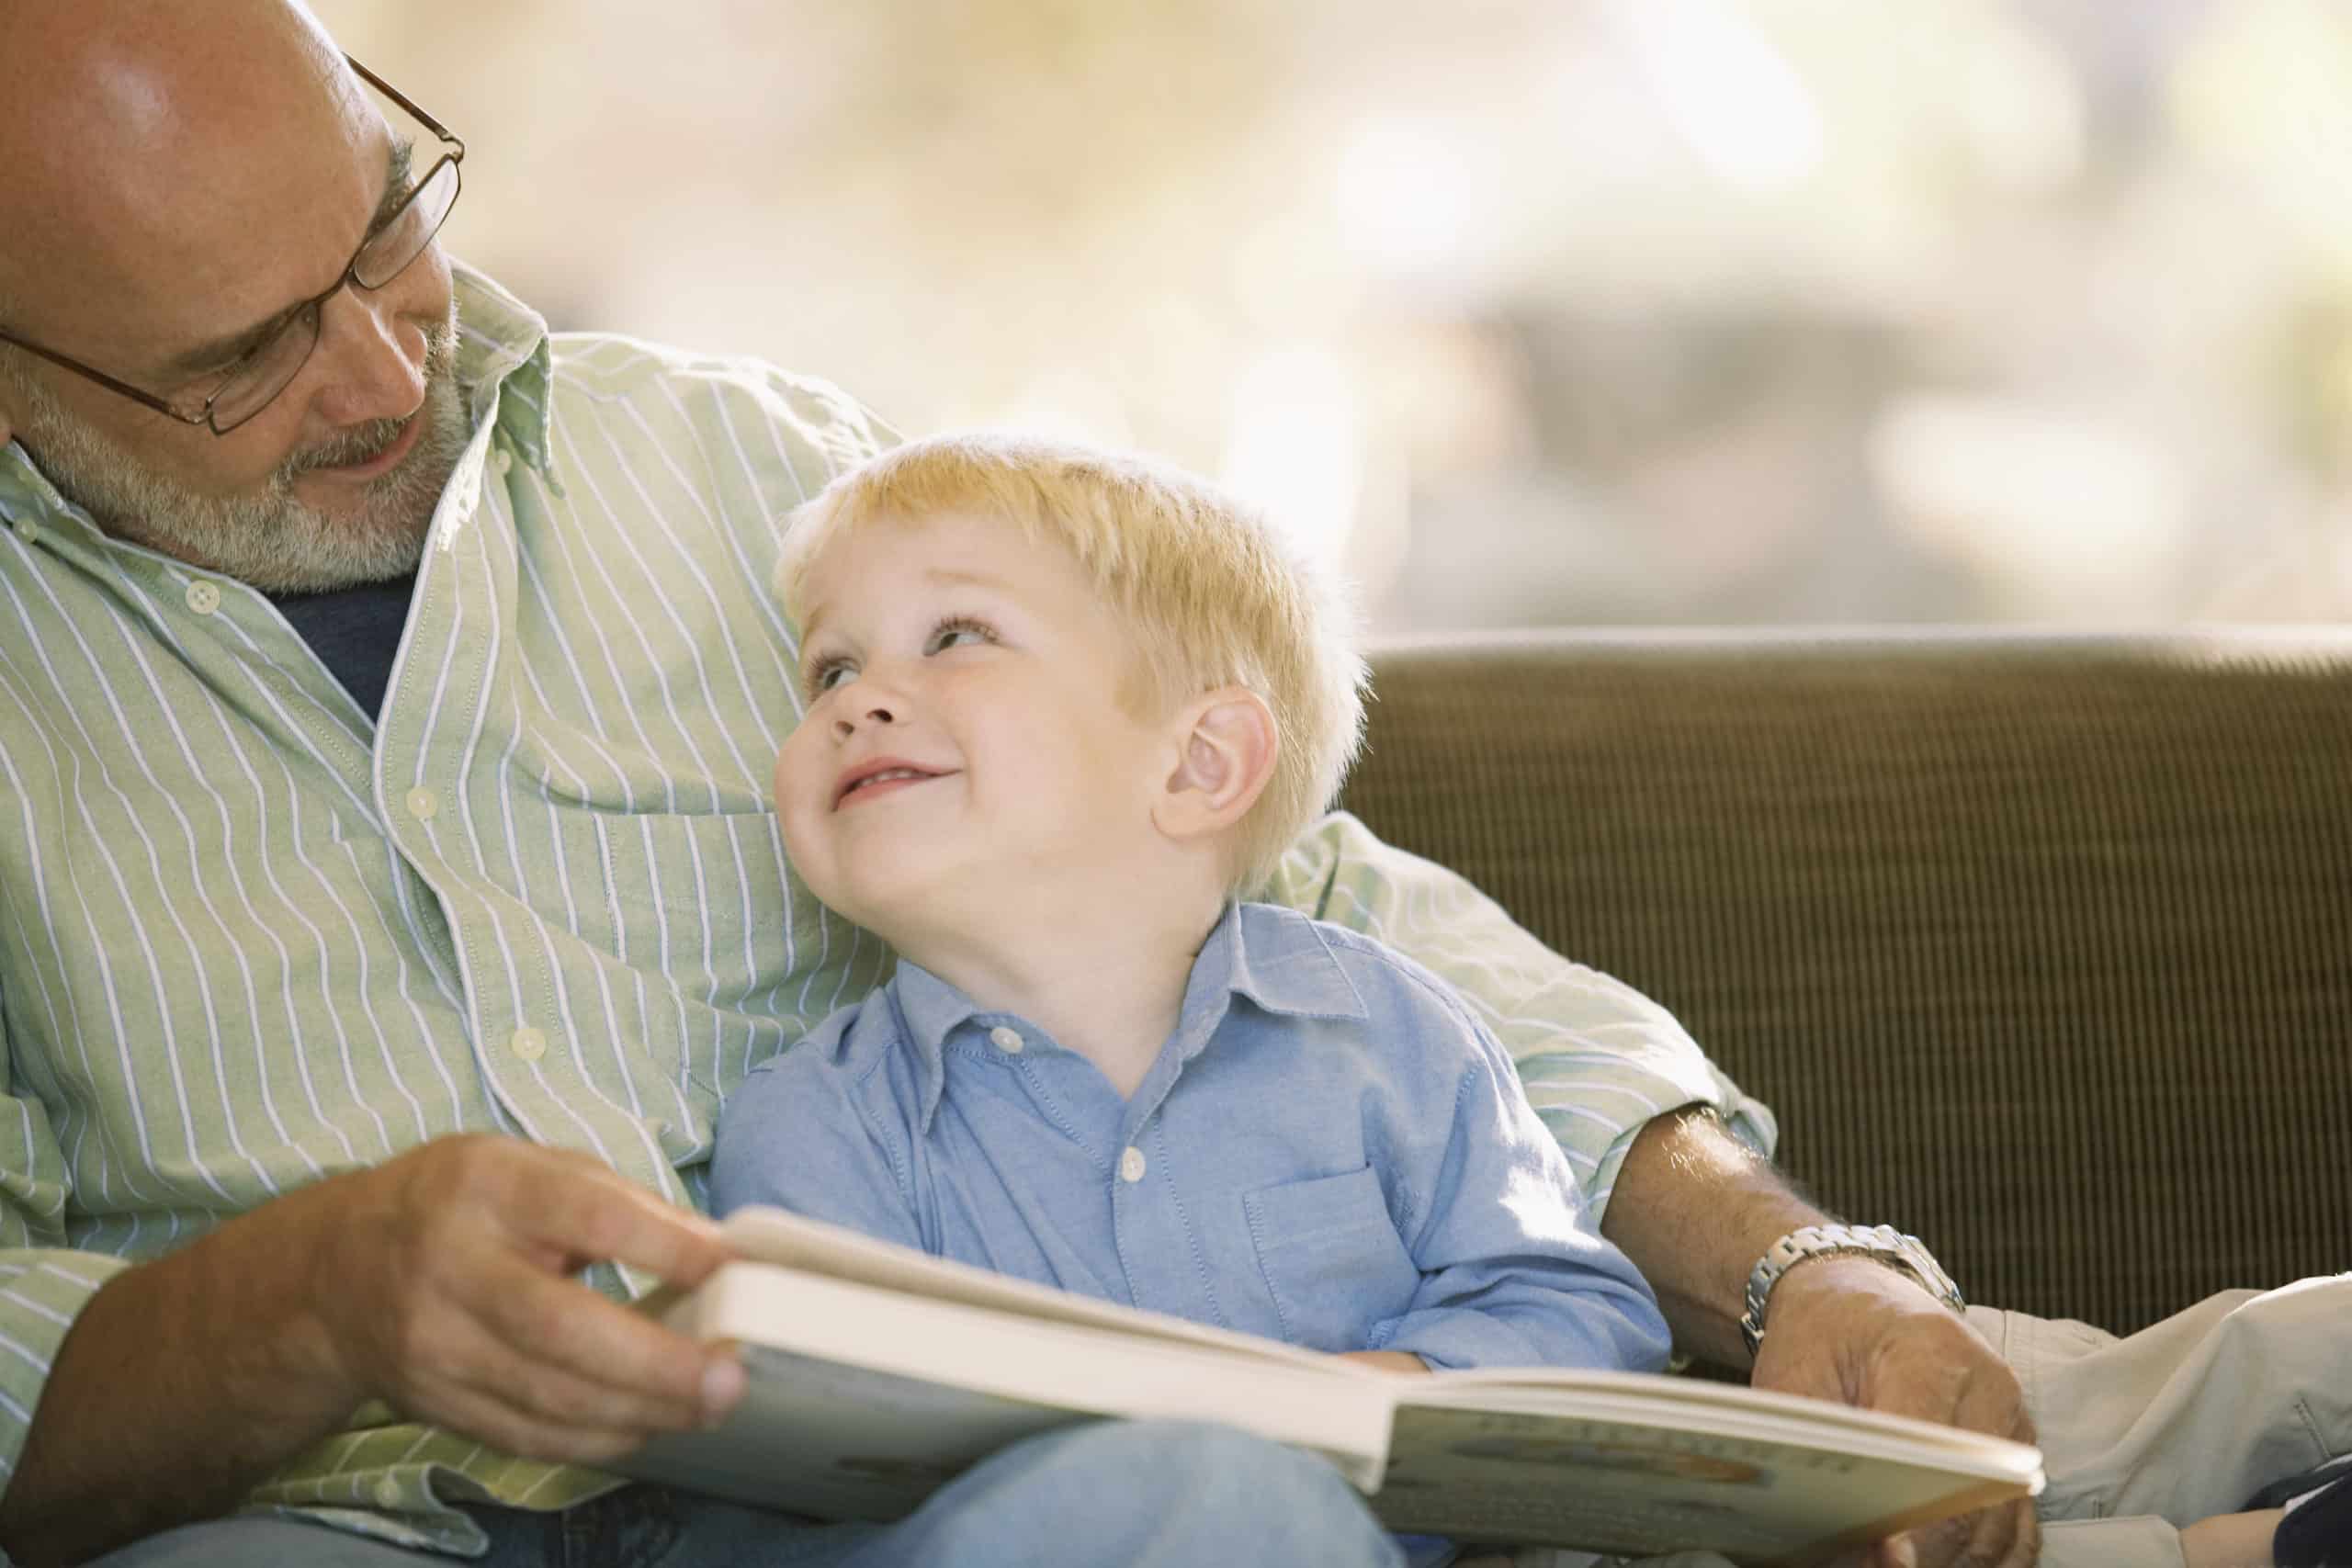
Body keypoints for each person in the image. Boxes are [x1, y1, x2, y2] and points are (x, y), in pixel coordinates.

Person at [0, 3, 2335, 1565]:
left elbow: (1312, 897)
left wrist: (1778, 1259)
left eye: (392, 226)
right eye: (240, 361)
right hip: (387, 1513)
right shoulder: (848, 1109)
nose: (392, 363)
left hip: (1377, 1435)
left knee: (2055, 1398)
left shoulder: (735, 465)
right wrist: (286, 1306)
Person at [705, 434, 1675, 1567]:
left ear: (1198, 765)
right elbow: (819, 1478)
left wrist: (1343, 1408)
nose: (859, 703)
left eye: (956, 636)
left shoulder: (1388, 1033)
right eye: (830, 669)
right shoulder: (813, 1127)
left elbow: (1581, 1318)